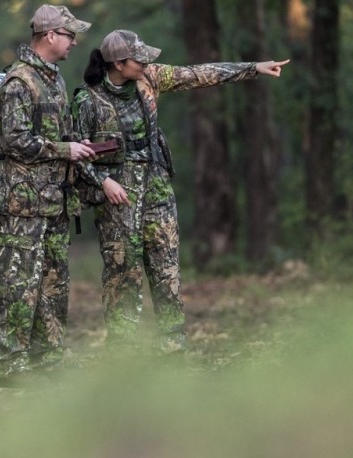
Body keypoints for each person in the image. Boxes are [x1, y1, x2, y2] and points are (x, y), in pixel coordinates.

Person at [71, 29, 289, 353]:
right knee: (122, 273)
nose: (146, 63)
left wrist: (254, 67)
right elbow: (73, 153)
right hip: (117, 195)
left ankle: (173, 349)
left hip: (157, 187)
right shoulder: (87, 101)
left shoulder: (150, 79)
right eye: (138, 58)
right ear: (118, 63)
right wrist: (102, 181)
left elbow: (198, 74)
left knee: (166, 269)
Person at [0, 4, 96, 382]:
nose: (74, 42)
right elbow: (13, 141)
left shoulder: (55, 80)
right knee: (19, 283)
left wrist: (78, 144)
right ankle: (10, 364)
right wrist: (65, 150)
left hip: (54, 201)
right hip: (22, 204)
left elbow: (54, 134)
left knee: (53, 282)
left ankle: (47, 361)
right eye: (69, 35)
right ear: (50, 35)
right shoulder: (20, 82)